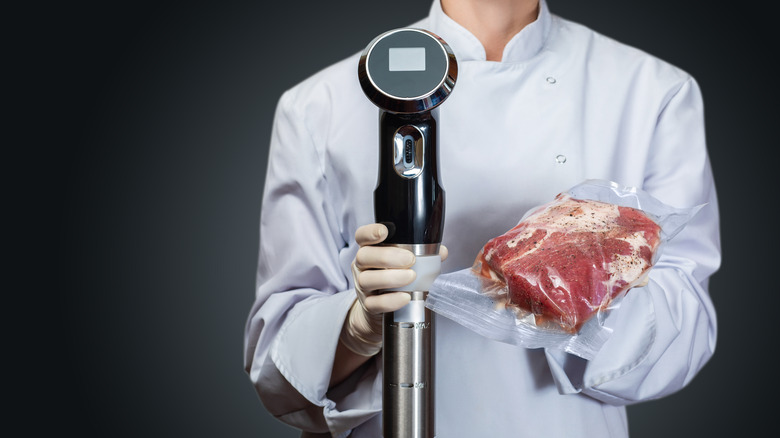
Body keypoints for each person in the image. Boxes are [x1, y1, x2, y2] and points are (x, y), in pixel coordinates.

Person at [243, 0, 720, 436]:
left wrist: (592, 291)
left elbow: (686, 336)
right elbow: (274, 368)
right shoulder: (317, 106)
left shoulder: (652, 91)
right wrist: (354, 327)